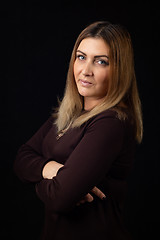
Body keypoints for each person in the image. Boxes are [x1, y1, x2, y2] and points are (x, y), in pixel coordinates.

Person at [14, 21, 143, 240]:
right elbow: (21, 159)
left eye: (101, 62)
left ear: (119, 70)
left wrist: (46, 180)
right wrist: (51, 169)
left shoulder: (111, 122)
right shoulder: (69, 113)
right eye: (81, 57)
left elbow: (60, 199)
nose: (86, 70)